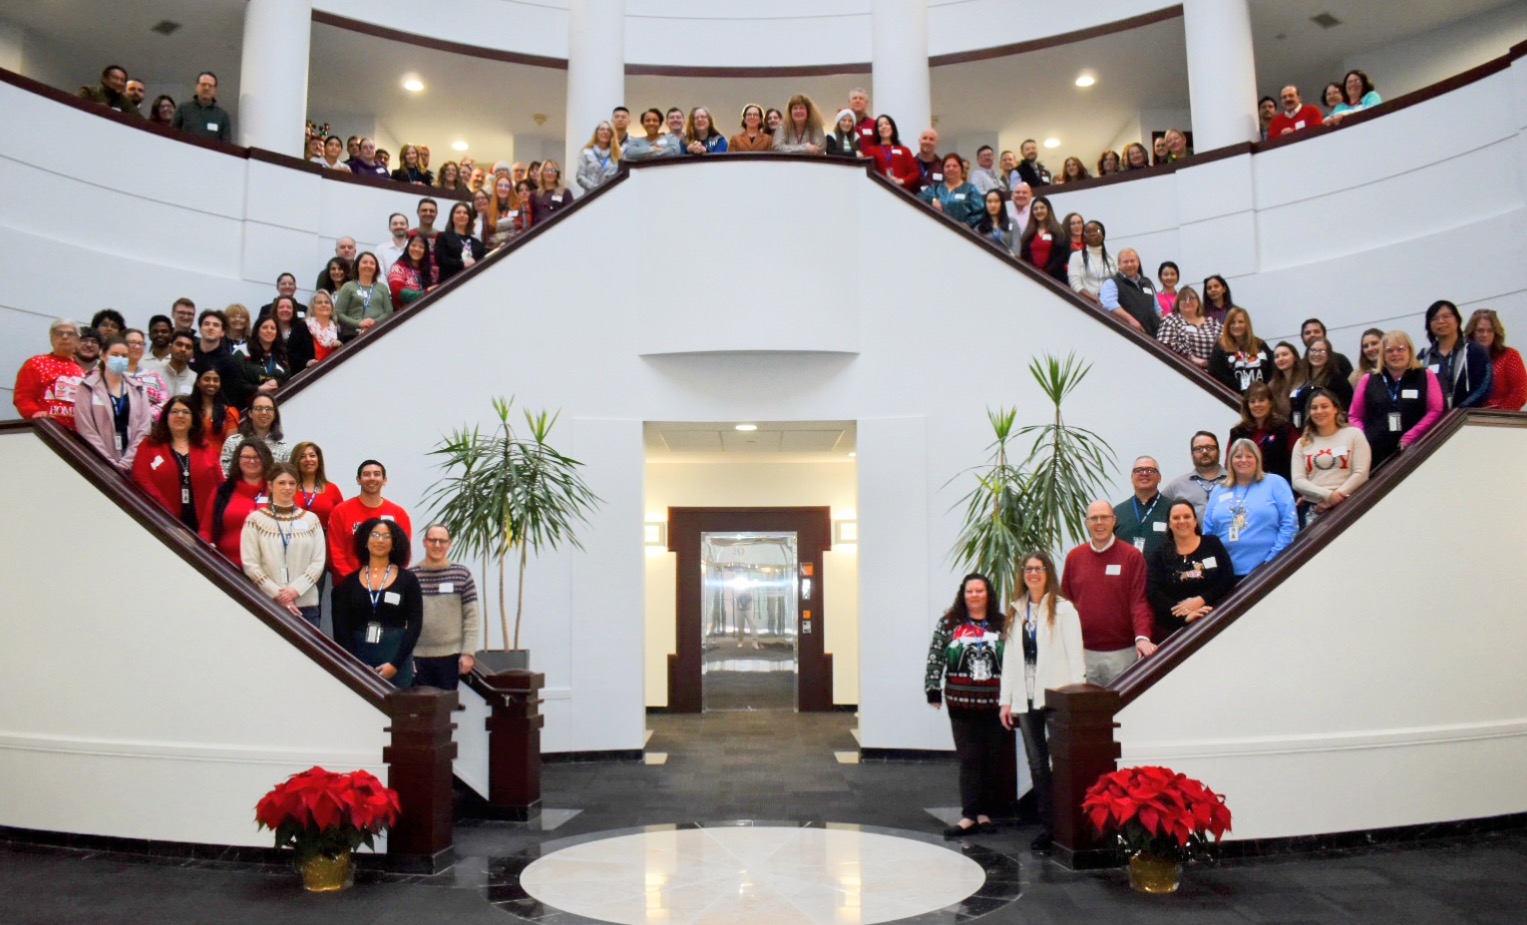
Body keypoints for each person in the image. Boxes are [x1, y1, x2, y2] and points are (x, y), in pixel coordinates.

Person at [997, 552, 1084, 853]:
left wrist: (1077, 694)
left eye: (1039, 568)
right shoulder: (1016, 610)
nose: (1033, 573)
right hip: (1025, 698)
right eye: (1028, 569)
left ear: (1049, 573)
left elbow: (1076, 656)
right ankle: (1048, 827)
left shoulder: (1063, 609)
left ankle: (1067, 824)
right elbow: (1010, 660)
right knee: (1037, 765)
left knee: (1061, 762)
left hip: (1056, 697)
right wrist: (1005, 700)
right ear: (1022, 574)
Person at [923, 573, 1007, 838]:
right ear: (963, 594)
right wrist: (932, 688)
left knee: (992, 760)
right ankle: (969, 815)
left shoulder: (1002, 624)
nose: (974, 595)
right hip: (960, 703)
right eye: (970, 591)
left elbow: (1014, 660)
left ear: (988, 594)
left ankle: (984, 814)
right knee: (969, 759)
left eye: (979, 591)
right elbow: (936, 655)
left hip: (996, 703)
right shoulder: (949, 623)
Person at [1061, 502, 1156, 687]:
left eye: (1104, 517)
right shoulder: (1074, 558)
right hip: (1083, 654)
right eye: (1093, 518)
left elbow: (1140, 601)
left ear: (1114, 521)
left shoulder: (1132, 556)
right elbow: (1066, 604)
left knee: (1122, 711)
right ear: (1086, 523)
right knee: (1086, 712)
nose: (1099, 523)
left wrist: (1143, 637)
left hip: (1123, 654)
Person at [333, 518, 423, 686]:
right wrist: (356, 665)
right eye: (374, 535)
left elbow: (415, 625)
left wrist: (395, 664)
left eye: (386, 536)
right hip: (358, 660)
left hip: (395, 657)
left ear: (394, 543)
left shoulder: (408, 580)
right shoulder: (349, 582)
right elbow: (341, 627)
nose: (380, 540)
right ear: (365, 542)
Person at [242, 462, 327, 628]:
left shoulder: (311, 520)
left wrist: (294, 591)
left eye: (292, 483)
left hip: (306, 605)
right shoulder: (255, 520)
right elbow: (251, 564)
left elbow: (318, 563)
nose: (287, 488)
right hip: (268, 602)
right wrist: (278, 594)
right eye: (281, 483)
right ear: (270, 486)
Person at [1202, 439, 1297, 582]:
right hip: (1226, 573)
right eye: (1238, 456)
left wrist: (1272, 561)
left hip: (1269, 569)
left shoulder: (1275, 483)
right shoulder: (1219, 490)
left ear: (1257, 459)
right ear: (1230, 461)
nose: (1243, 460)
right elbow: (1208, 531)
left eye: (1249, 456)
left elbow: (1290, 524)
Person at [1349, 331, 1445, 469]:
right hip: (1375, 453)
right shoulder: (1368, 379)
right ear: (1383, 354)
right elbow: (1354, 416)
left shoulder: (1425, 375)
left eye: (1401, 349)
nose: (1395, 354)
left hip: (1416, 448)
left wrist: (1411, 436)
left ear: (1410, 350)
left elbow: (1435, 410)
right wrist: (1363, 439)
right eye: (1389, 350)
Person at [1146, 500, 1235, 640]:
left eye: (1187, 516)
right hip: (1177, 630)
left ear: (1195, 521)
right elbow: (1154, 592)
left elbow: (1227, 578)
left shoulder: (1212, 544)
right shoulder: (1159, 555)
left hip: (1216, 620)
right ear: (1169, 525)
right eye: (1176, 518)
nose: (1182, 521)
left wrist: (1202, 599)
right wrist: (1185, 614)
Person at [132, 396, 224, 530]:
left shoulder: (206, 448)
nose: (180, 415)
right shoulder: (149, 446)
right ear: (166, 418)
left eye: (186, 412)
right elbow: (141, 478)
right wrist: (166, 513)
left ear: (193, 420)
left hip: (202, 524)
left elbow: (220, 483)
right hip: (160, 520)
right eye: (174, 411)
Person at [411, 525, 483, 690]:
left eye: (442, 541)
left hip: (450, 657)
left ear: (449, 544)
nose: (437, 545)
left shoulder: (462, 574)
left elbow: (472, 617)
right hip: (417, 657)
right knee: (419, 710)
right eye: (432, 540)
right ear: (424, 543)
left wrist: (468, 653)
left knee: (445, 710)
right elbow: (404, 620)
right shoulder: (411, 576)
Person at [1291, 389, 1371, 529]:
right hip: (1314, 509)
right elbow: (1298, 481)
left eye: (1324, 406)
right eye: (1314, 408)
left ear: (1335, 409)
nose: (1319, 411)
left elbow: (1361, 473)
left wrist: (1337, 497)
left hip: (1349, 503)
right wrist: (1328, 496)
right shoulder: (1302, 443)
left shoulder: (1354, 435)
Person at [74, 337, 153, 473]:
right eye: (115, 355)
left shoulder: (138, 389)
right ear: (103, 355)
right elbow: (86, 429)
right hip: (99, 463)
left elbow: (144, 428)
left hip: (132, 463)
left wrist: (127, 461)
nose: (120, 359)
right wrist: (108, 461)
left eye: (124, 356)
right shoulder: (88, 387)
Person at [327, 459, 413, 581]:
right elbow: (335, 553)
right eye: (366, 474)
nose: (372, 478)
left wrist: (388, 580)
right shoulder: (340, 511)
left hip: (387, 585)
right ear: (358, 480)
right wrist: (357, 582)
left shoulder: (399, 514)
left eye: (377, 474)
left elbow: (403, 553)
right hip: (348, 585)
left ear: (384, 480)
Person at [201, 438, 273, 565]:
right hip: (225, 566)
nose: (251, 461)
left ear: (265, 460)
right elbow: (205, 530)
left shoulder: (276, 492)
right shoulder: (222, 492)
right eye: (246, 457)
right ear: (238, 460)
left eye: (257, 457)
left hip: (266, 570)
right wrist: (206, 551)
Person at [1418, 299, 1492, 410]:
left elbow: (1484, 387)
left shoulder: (1475, 351)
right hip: (1433, 422)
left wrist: (1459, 411)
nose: (1441, 321)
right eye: (1434, 318)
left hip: (1466, 419)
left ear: (1457, 320)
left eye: (1446, 316)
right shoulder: (1423, 357)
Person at [13, 319, 85, 429]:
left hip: (75, 436)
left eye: (70, 334)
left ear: (78, 340)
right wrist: (35, 413)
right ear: (51, 339)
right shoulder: (36, 364)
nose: (65, 337)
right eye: (59, 334)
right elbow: (23, 396)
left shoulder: (82, 372)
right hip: (47, 431)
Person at [1228, 382, 1300, 485]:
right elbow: (1229, 464)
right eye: (1252, 401)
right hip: (1246, 487)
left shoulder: (1284, 429)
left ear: (1270, 403)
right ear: (1247, 405)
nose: (1257, 404)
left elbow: (1298, 460)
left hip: (1278, 487)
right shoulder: (1238, 432)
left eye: (1261, 400)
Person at [1465, 309, 1527, 411]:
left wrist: (1498, 413)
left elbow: (1520, 392)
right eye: (1480, 330)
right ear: (1472, 333)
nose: (1485, 335)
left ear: (1496, 333)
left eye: (1490, 331)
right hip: (1468, 418)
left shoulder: (1510, 356)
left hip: (1502, 419)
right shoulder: (1463, 358)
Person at [1289, 338, 1353, 428]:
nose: (1316, 354)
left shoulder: (1337, 381)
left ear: (1329, 355)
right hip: (1303, 432)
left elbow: (1347, 410)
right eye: (1313, 350)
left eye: (1321, 351)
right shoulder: (1299, 378)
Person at [1113, 456, 1170, 559]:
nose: (1144, 474)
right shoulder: (1118, 512)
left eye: (1150, 470)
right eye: (1138, 470)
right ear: (1131, 478)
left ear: (1159, 478)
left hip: (1162, 573)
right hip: (1127, 572)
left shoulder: (1173, 510)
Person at [1208, 307, 1274, 395]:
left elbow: (1272, 368)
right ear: (1227, 325)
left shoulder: (1260, 344)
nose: (1237, 326)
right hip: (1234, 399)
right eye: (1232, 322)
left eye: (1240, 322)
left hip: (1261, 397)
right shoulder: (1220, 347)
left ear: (1247, 324)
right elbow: (1216, 375)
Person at [1163, 431, 1227, 521]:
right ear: (1192, 455)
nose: (1204, 452)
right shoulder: (1177, 485)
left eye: (1209, 448)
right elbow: (1158, 510)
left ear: (1219, 452)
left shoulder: (1235, 481)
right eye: (1199, 449)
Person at [1155, 286, 1222, 371]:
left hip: (1214, 372)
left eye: (1191, 298)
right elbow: (1163, 343)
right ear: (1178, 303)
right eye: (1183, 299)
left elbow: (1226, 342)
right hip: (1185, 371)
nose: (1187, 301)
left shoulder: (1212, 322)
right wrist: (1191, 357)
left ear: (1198, 302)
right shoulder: (1171, 320)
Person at [220, 393, 290, 473]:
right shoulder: (233, 442)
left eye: (269, 409)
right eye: (258, 408)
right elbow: (224, 475)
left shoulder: (284, 449)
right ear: (250, 413)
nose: (264, 412)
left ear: (274, 415)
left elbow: (285, 479)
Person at [1098, 248, 1159, 335]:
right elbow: (1109, 304)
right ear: (1118, 264)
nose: (1129, 264)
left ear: (1138, 262)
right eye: (1126, 262)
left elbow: (1157, 308)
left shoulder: (1147, 282)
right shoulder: (1111, 283)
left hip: (1153, 335)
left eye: (1132, 261)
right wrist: (1131, 320)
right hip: (1128, 335)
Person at [334, 252, 393, 339]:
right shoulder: (348, 286)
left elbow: (388, 312)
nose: (368, 265)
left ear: (376, 268)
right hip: (352, 336)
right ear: (357, 265)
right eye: (364, 262)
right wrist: (358, 323)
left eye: (372, 263)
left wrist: (372, 323)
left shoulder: (382, 288)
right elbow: (338, 314)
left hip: (377, 334)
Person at [917, 154, 984, 228]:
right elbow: (919, 197)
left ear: (961, 169)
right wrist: (933, 199)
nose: (951, 169)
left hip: (962, 233)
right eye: (947, 166)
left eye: (955, 166)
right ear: (943, 169)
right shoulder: (935, 188)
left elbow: (981, 212)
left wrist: (968, 224)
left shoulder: (970, 189)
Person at [289, 441, 345, 528]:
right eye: (302, 457)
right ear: (296, 460)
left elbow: (342, 519)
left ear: (319, 460)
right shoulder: (288, 488)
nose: (308, 459)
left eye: (312, 456)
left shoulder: (332, 489)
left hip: (325, 539)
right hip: (295, 538)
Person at [1018, 196, 1069, 284]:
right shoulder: (1028, 233)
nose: (1039, 211)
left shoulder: (1060, 231)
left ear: (1048, 210)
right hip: (1033, 278)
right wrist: (1035, 272)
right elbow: (1024, 255)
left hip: (1056, 278)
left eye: (1042, 208)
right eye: (1035, 209)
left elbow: (1063, 255)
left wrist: (1046, 272)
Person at [170, 71, 231, 142]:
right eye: (203, 84)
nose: (206, 88)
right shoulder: (183, 109)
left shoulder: (223, 116)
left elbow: (226, 143)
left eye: (210, 85)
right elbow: (172, 136)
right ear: (196, 87)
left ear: (215, 90)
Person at [1067, 220, 1117, 305]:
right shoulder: (1076, 257)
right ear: (1084, 237)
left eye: (1096, 231)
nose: (1092, 234)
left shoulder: (1112, 259)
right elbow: (1075, 284)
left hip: (1110, 304)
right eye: (1088, 232)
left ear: (1103, 235)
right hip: (1086, 304)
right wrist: (1096, 300)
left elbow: (1118, 284)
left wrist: (1108, 300)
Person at [862, 115, 919, 189]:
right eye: (880, 125)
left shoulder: (905, 150)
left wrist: (902, 181)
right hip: (880, 191)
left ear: (892, 127)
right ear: (877, 130)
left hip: (902, 192)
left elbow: (915, 173)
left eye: (887, 123)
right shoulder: (871, 150)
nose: (884, 126)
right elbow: (866, 172)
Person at [436, 202, 486, 285]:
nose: (462, 215)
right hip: (448, 285)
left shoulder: (478, 244)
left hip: (472, 284)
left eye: (465, 213)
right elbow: (441, 259)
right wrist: (462, 264)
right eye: (458, 212)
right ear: (452, 217)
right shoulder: (443, 237)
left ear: (469, 218)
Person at [122, 328, 169, 416]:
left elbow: (165, 403)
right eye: (132, 342)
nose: (137, 347)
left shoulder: (153, 377)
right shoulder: (113, 375)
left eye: (141, 343)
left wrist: (144, 416)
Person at [241, 317, 292, 397]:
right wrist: (257, 389)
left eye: (273, 328)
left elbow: (287, 376)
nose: (269, 331)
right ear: (257, 331)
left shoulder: (281, 353)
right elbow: (235, 382)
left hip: (279, 400)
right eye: (265, 327)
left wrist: (277, 382)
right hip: (248, 403)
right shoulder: (243, 351)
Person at [142, 330, 198, 398]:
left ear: (192, 354)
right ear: (170, 348)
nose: (183, 349)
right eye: (179, 344)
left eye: (188, 347)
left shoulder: (195, 380)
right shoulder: (153, 375)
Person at [194, 368, 239, 452]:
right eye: (207, 379)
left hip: (217, 463)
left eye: (216, 380)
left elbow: (230, 449)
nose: (211, 383)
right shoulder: (188, 409)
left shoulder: (229, 413)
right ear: (198, 382)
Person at [388, 231, 437, 308]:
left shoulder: (429, 272)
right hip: (405, 314)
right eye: (413, 245)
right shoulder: (398, 267)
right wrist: (424, 293)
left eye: (421, 247)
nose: (417, 249)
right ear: (408, 247)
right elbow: (397, 291)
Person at [577, 121, 621, 192]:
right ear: (597, 133)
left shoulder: (617, 155)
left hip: (610, 194)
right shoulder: (586, 152)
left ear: (612, 134)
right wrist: (595, 188)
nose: (605, 132)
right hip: (591, 195)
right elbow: (580, 176)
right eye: (602, 129)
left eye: (608, 130)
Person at [529, 161, 574, 225]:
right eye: (547, 170)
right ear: (542, 173)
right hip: (539, 231)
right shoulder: (534, 195)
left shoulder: (565, 193)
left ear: (558, 174)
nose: (550, 173)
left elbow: (571, 213)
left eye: (553, 170)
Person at [975, 189, 1016, 255]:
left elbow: (1016, 251)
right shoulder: (979, 228)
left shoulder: (1012, 223)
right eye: (989, 201)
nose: (993, 205)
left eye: (996, 201)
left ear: (1002, 203)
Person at [306, 291, 342, 363]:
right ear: (313, 307)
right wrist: (306, 363)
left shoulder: (338, 329)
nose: (324, 305)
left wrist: (340, 345)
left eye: (327, 302)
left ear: (332, 307)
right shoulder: (302, 327)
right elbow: (293, 354)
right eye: (319, 302)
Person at [910, 129, 943, 194]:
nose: (927, 142)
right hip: (911, 203)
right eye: (924, 138)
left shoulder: (943, 166)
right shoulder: (910, 164)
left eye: (931, 139)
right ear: (919, 141)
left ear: (937, 143)